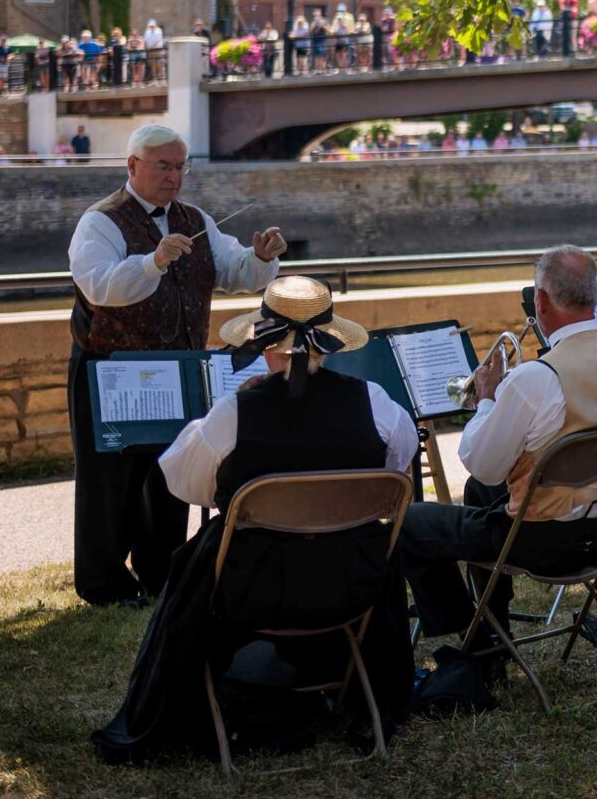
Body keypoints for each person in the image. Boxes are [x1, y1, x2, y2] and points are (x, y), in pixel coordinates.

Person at [92, 276, 418, 764]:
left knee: (198, 558)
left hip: (252, 588)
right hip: (350, 582)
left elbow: (183, 482)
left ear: (266, 347)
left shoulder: (235, 412)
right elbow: (395, 473)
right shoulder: (375, 403)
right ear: (328, 346)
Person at [398, 247, 597, 697]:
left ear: (540, 301)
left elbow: (480, 460)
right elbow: (488, 479)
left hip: (539, 542)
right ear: (596, 297)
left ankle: (478, 639)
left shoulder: (535, 378)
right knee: (480, 491)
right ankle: (491, 634)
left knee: (411, 521)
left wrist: (489, 399)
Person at [66, 124, 287, 607]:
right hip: (112, 368)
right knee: (110, 480)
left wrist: (260, 258)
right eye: (163, 166)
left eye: (179, 166)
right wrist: (153, 262)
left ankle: (160, 572)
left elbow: (232, 270)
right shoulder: (100, 222)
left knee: (167, 475)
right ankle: (104, 584)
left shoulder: (194, 217)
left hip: (178, 368)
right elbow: (99, 287)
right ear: (132, 166)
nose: (173, 176)